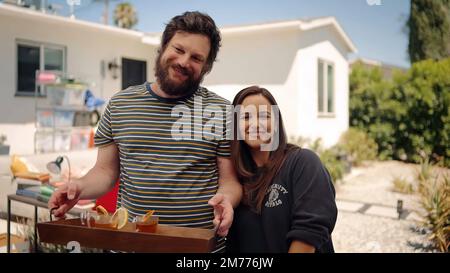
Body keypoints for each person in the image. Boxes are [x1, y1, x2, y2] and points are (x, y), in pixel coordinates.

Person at [48, 11, 242, 252]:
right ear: (162, 47)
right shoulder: (120, 104)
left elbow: (230, 182)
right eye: (178, 49)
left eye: (196, 57)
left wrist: (228, 199)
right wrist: (79, 187)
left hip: (198, 249)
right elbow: (105, 170)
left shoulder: (222, 111)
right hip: (132, 245)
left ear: (206, 67)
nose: (183, 62)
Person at [226, 86, 337, 253]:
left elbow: (309, 233)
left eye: (265, 116)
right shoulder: (235, 180)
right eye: (246, 116)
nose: (256, 124)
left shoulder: (303, 162)